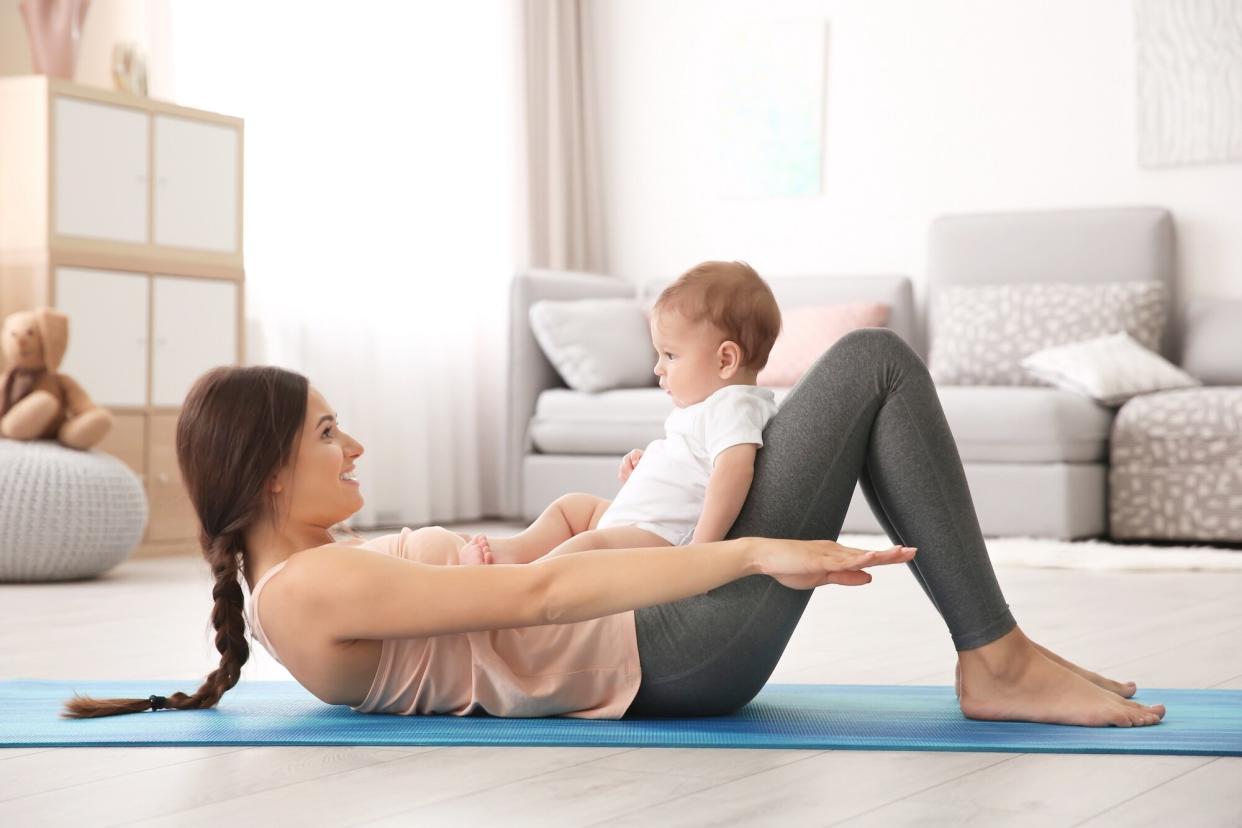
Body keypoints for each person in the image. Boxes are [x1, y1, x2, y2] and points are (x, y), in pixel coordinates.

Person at [62, 328, 1165, 727]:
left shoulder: (322, 571)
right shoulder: (305, 596)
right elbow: (537, 603)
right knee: (872, 367)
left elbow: (530, 568)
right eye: (328, 433)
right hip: (673, 654)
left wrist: (615, 506)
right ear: (265, 477)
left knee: (854, 384)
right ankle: (998, 659)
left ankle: (998, 654)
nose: (354, 449)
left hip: (662, 636)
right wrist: (743, 551)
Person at [460, 261, 782, 567]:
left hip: (662, 540)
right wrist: (648, 466)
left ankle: (524, 579)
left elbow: (732, 474)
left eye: (671, 355)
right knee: (572, 509)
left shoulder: (734, 406)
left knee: (588, 548)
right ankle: (512, 552)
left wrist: (701, 552)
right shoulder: (716, 409)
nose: (658, 367)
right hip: (639, 522)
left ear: (725, 360)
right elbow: (695, 466)